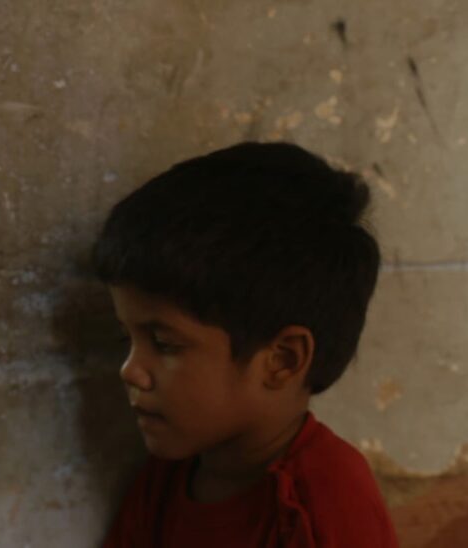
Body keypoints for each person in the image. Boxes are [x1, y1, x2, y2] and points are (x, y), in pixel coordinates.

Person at [93, 142, 398, 547]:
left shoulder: (322, 501)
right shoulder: (166, 479)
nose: (130, 369)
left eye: (164, 344)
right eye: (125, 338)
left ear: (282, 360)